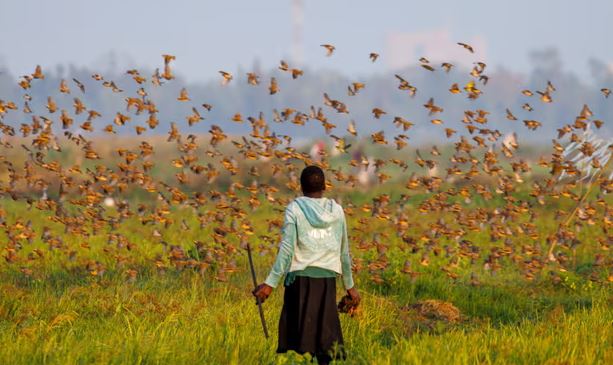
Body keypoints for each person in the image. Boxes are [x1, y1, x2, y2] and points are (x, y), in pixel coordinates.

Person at [253, 165, 360, 365]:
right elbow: (343, 251)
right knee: (324, 340)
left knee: (302, 341)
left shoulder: (295, 209)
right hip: (327, 281)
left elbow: (286, 250)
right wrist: (350, 287)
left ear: (301, 187)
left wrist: (269, 285)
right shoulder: (337, 211)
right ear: (324, 187)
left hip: (300, 281)